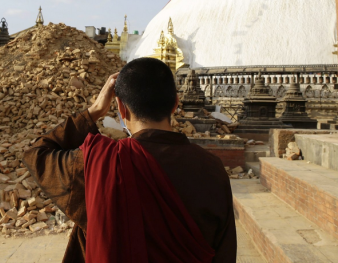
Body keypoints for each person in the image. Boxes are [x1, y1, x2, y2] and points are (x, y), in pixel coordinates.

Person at [23, 58, 236, 263]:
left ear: (121, 108)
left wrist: (94, 111)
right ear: (175, 104)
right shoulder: (212, 169)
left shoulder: (99, 165)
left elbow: (36, 154)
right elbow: (225, 252)